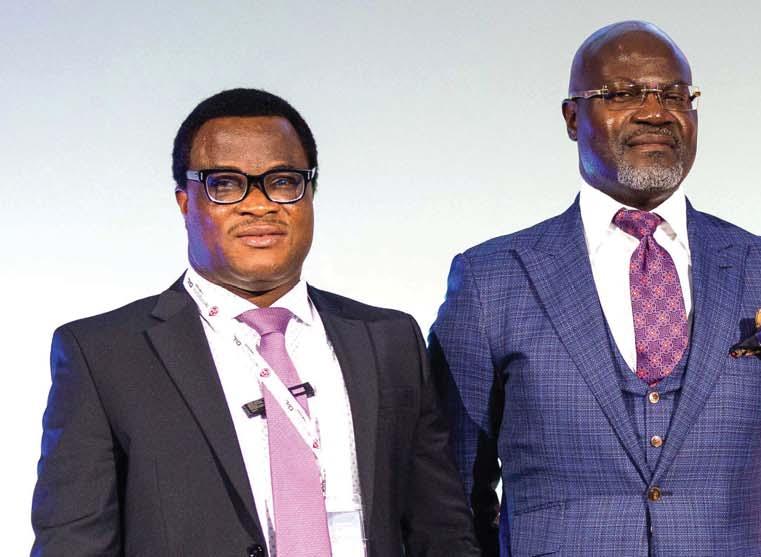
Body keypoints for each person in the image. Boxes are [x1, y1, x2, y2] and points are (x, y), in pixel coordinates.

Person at [429, 20, 761, 556]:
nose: (654, 112)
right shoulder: (490, 280)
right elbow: (454, 494)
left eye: (674, 94)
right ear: (572, 117)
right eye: (621, 94)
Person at [30, 88, 478, 557]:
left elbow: (442, 532)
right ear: (185, 202)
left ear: (311, 193)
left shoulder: (389, 341)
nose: (259, 205)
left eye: (283, 182)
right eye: (225, 184)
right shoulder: (104, 355)